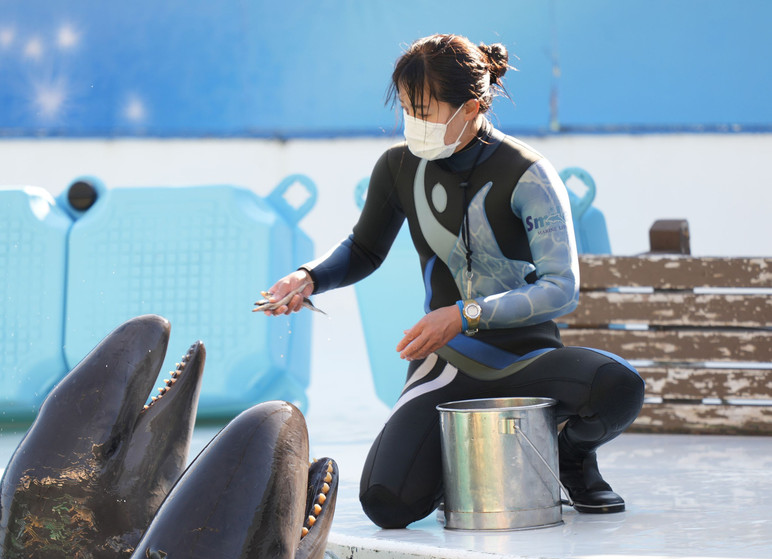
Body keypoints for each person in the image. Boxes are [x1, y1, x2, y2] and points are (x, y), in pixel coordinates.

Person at [262, 33, 644, 529]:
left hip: (527, 359)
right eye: (406, 108)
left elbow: (560, 287)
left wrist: (466, 314)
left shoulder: (528, 173)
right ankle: (465, 464)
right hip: (444, 365)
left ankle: (568, 455)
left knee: (619, 385)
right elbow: (363, 249)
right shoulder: (398, 167)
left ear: (472, 105)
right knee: (387, 502)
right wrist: (309, 277)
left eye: (424, 109)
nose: (412, 122)